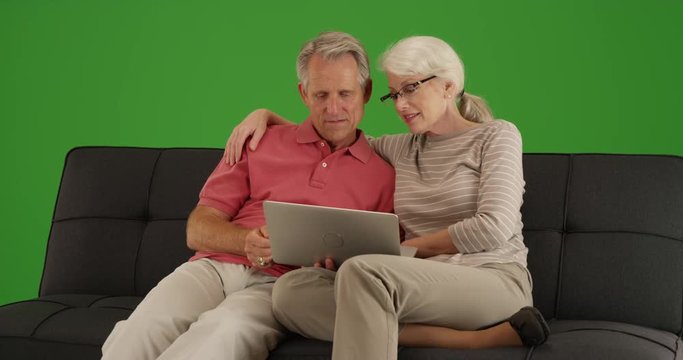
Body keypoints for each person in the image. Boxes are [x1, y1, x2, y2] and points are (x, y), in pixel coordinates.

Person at [225, 35, 550, 359]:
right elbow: (337, 131)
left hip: (493, 280)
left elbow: (492, 226)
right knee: (291, 291)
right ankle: (462, 340)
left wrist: (397, 252)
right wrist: (267, 118)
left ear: (448, 86)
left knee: (363, 271)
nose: (400, 105)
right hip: (415, 287)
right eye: (394, 94)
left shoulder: (497, 136)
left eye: (411, 89)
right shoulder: (400, 148)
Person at [100, 31, 396, 360]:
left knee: (224, 333)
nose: (333, 108)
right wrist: (246, 242)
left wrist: (336, 265)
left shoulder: (384, 176)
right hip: (212, 268)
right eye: (321, 95)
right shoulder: (259, 141)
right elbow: (198, 228)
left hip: (281, 287)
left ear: (366, 91)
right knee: (143, 327)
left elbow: (376, 261)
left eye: (345, 94)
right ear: (303, 94)